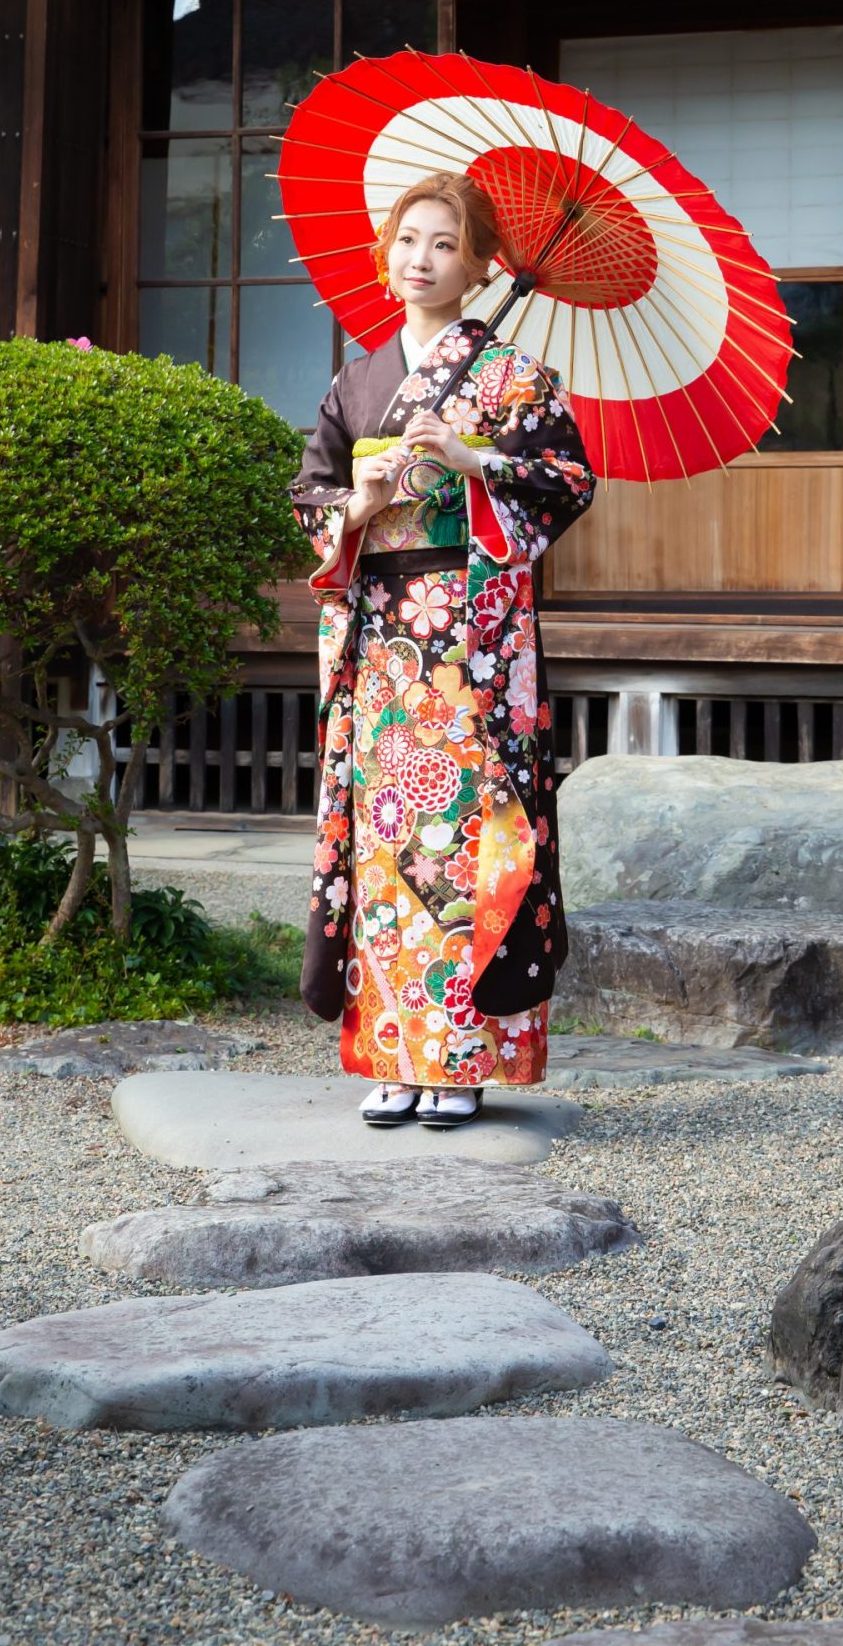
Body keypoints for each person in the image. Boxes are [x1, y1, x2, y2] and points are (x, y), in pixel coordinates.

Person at [290, 169, 595, 1128]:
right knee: (384, 843)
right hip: (381, 636)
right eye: (408, 241)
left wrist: (474, 463)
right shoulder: (357, 381)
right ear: (386, 257)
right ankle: (392, 1049)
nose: (421, 259)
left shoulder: (511, 376)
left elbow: (567, 481)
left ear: (478, 267)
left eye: (445, 245)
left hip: (470, 639)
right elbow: (310, 496)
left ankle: (459, 1059)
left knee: (466, 844)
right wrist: (358, 506)